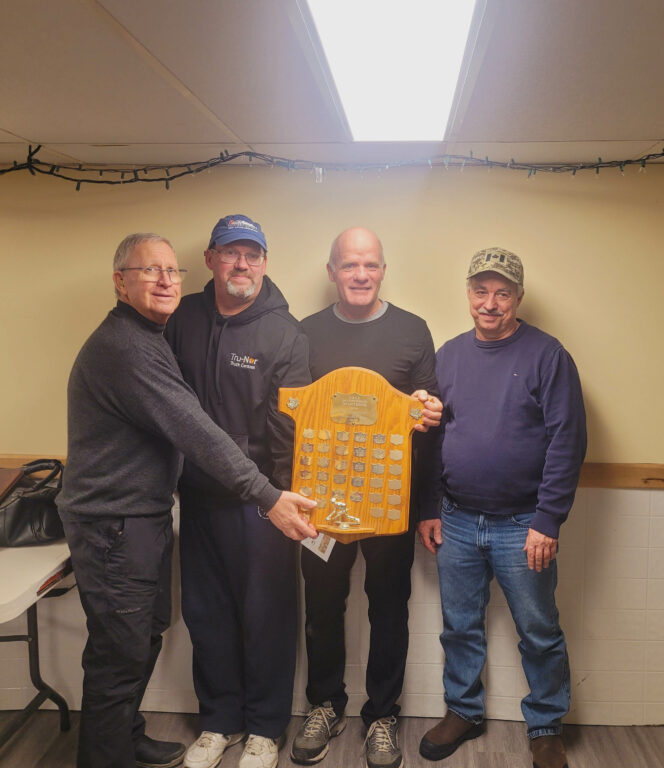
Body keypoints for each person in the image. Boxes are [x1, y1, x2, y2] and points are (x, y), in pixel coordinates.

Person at [56, 233, 316, 768]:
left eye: (169, 272)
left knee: (144, 636)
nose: (164, 281)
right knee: (127, 650)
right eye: (149, 271)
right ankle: (125, 750)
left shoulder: (156, 334)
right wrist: (267, 495)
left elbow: (284, 424)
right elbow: (193, 428)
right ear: (120, 281)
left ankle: (136, 737)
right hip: (119, 521)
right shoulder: (135, 342)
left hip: (186, 509)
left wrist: (271, 493)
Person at [417, 248, 586, 768]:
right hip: (457, 519)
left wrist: (546, 520)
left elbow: (568, 440)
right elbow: (429, 435)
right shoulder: (448, 355)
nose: (490, 303)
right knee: (459, 625)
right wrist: (429, 508)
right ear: (468, 294)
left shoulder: (547, 355)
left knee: (538, 629)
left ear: (517, 297)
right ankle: (463, 712)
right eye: (481, 291)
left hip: (523, 525)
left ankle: (546, 725)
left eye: (502, 292)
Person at [291, 227, 442, 768]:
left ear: (383, 270)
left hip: (390, 507)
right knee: (323, 609)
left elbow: (430, 419)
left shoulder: (412, 330)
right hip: (321, 510)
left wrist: (427, 505)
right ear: (332, 270)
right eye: (350, 265)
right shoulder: (302, 333)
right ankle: (325, 706)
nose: (360, 275)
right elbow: (287, 420)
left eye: (371, 265)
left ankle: (382, 715)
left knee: (389, 610)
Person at [164, 215, 310, 768]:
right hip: (197, 500)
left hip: (262, 505)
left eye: (252, 254)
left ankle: (266, 729)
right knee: (207, 615)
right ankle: (219, 722)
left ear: (265, 263)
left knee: (266, 617)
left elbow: (288, 432)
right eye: (230, 253)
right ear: (211, 260)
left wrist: (280, 500)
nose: (241, 264)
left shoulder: (284, 333)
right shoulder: (183, 320)